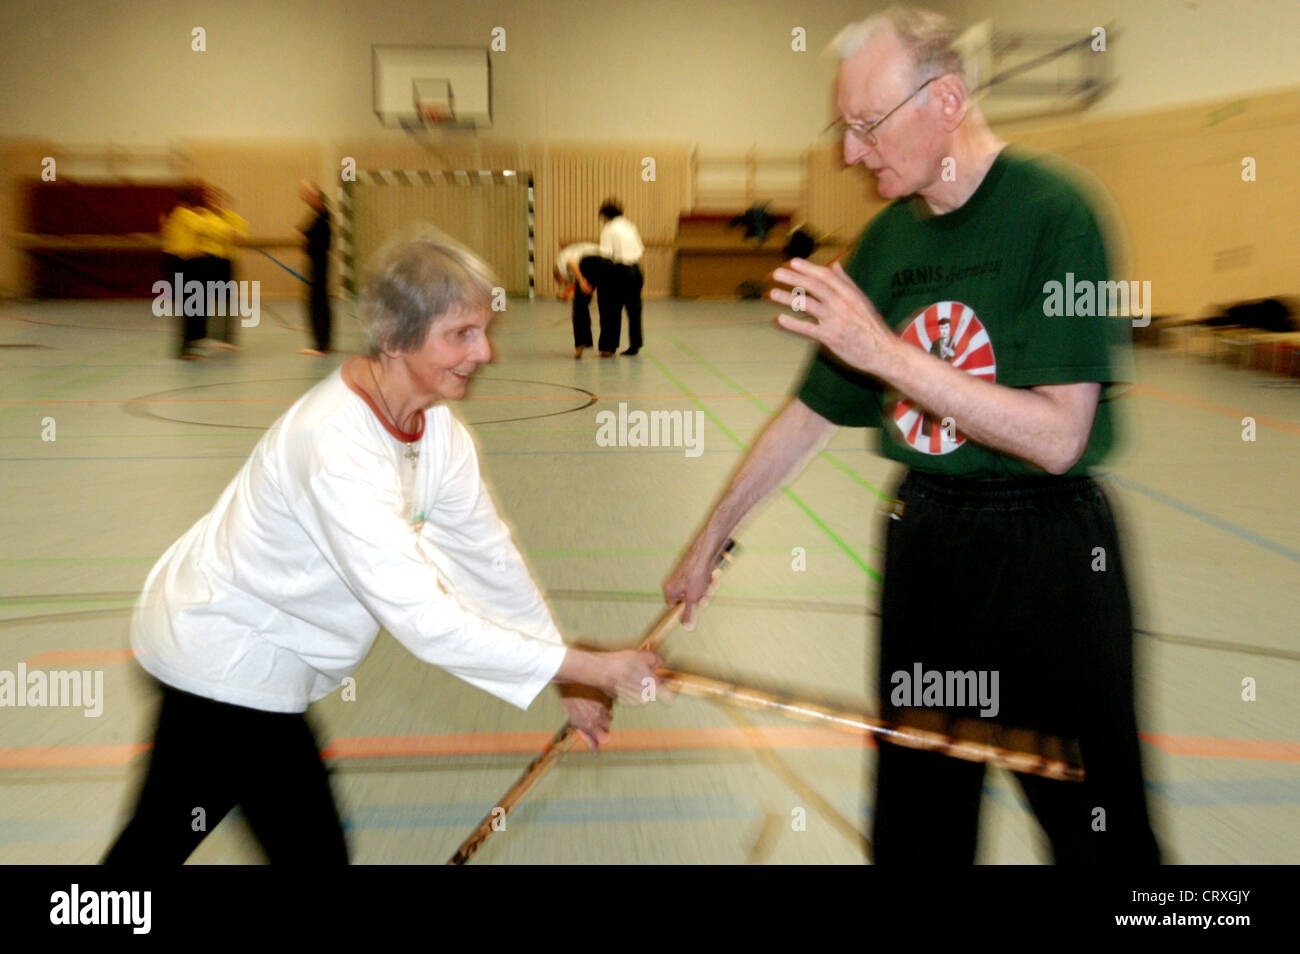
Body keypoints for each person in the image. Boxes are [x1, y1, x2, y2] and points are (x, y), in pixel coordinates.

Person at [663, 5, 1160, 865]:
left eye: (867, 126)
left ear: (948, 99)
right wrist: (712, 535)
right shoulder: (890, 242)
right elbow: (813, 411)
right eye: (844, 129)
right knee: (919, 829)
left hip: (1050, 560)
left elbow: (1058, 437)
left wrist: (886, 355)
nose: (852, 153)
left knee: (1103, 836)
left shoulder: (1057, 213)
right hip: (928, 547)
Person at [104, 228, 664, 864]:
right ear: (395, 337)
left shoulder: (438, 432)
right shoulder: (335, 444)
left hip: (259, 667)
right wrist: (587, 668)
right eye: (462, 334)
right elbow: (424, 620)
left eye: (485, 330)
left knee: (158, 850)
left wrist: (561, 670)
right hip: (222, 662)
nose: (486, 352)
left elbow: (489, 560)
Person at [194, 188, 249, 350]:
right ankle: (200, 336)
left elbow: (240, 238)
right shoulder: (202, 217)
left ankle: (227, 338)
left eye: (218, 200)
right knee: (203, 298)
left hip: (226, 261)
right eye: (211, 200)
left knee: (226, 300)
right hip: (207, 260)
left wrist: (231, 232)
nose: (215, 203)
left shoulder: (234, 219)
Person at [159, 194, 207, 360]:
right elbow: (203, 227)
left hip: (178, 263)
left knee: (190, 304)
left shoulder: (172, 216)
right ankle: (186, 347)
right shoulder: (184, 214)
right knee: (190, 305)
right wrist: (202, 214)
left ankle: (191, 342)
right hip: (183, 263)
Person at [597, 200, 644, 356]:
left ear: (605, 216)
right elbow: (640, 249)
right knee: (634, 310)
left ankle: (609, 347)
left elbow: (606, 254)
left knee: (611, 309)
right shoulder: (630, 226)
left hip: (620, 270)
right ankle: (635, 344)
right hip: (636, 270)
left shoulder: (609, 229)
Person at [554, 241, 614, 358]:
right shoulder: (575, 252)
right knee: (607, 306)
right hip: (609, 264)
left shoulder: (560, 262)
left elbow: (572, 264)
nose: (565, 282)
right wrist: (567, 292)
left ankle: (580, 345)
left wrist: (581, 282)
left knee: (579, 306)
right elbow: (577, 282)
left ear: (558, 274)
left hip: (590, 262)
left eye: (563, 281)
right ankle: (607, 348)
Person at [297, 180, 332, 356]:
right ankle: (324, 342)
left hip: (319, 263)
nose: (305, 197)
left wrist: (304, 236)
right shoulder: (319, 214)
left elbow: (309, 236)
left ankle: (320, 344)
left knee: (317, 301)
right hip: (317, 262)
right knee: (320, 301)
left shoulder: (323, 215)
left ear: (316, 196)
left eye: (308, 194)